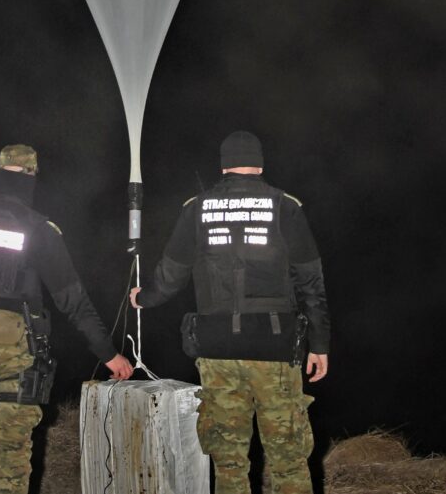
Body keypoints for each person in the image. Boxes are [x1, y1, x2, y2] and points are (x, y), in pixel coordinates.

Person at [0, 144, 134, 494]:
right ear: (32, 177)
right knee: (14, 457)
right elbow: (74, 302)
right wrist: (109, 354)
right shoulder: (41, 230)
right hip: (23, 353)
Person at [130, 130, 330, 494]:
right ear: (260, 164)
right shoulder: (285, 206)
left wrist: (144, 298)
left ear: (223, 165)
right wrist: (320, 343)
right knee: (288, 459)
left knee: (229, 463)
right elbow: (310, 281)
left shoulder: (197, 208)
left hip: (218, 350)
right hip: (274, 351)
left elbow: (171, 276)